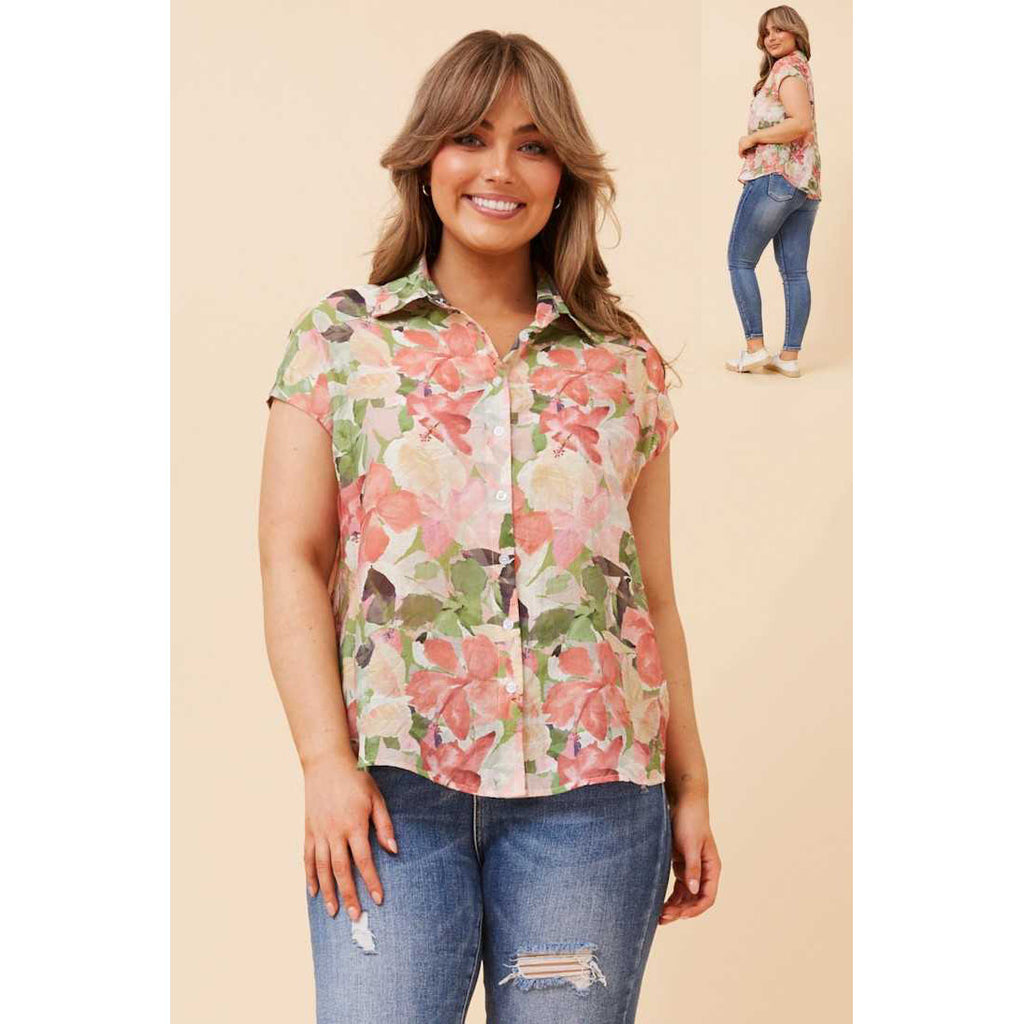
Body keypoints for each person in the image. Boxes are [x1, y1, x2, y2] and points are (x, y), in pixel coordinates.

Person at [258, 29, 720, 1023]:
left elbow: (652, 590)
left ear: (564, 175)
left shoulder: (620, 362)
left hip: (594, 804)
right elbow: (292, 557)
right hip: (390, 799)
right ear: (427, 159)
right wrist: (323, 763)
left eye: (533, 144)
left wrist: (691, 782)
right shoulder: (340, 341)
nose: (500, 169)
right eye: (471, 137)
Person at [725, 6, 822, 378]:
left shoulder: (787, 69)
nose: (772, 37)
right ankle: (789, 357)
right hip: (804, 185)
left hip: (774, 177)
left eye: (779, 29)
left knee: (740, 261)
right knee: (794, 272)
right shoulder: (798, 68)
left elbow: (800, 123)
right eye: (766, 32)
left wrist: (753, 138)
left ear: (796, 31)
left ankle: (755, 349)